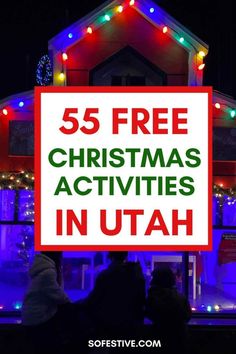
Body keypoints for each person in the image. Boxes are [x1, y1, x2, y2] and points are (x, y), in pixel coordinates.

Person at [80, 251, 146, 338]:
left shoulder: (105, 276)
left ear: (110, 256)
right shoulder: (136, 274)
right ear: (125, 256)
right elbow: (141, 299)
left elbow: (94, 299)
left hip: (110, 323)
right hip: (132, 323)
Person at [22, 252, 70, 353]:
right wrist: (72, 304)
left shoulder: (43, 267)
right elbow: (56, 294)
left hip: (32, 315)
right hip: (38, 318)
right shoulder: (48, 272)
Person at [146, 266, 192, 354]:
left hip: (159, 339)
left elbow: (149, 314)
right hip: (180, 341)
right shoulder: (180, 297)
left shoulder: (153, 298)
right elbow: (187, 316)